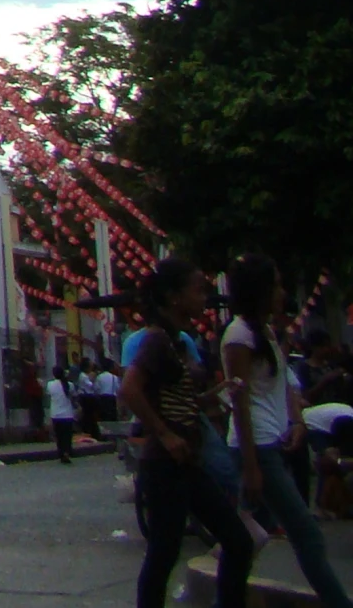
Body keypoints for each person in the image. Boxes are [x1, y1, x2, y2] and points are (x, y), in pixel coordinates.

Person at [125, 256, 252, 608]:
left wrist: (216, 395)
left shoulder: (177, 341)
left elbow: (179, 399)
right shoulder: (156, 340)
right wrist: (164, 433)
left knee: (236, 540)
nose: (204, 299)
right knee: (164, 554)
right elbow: (130, 389)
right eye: (198, 290)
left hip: (186, 461)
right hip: (165, 464)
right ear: (173, 296)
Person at [226, 254, 348, 608]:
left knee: (244, 540)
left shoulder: (263, 332)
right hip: (258, 448)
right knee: (306, 534)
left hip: (273, 442)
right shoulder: (238, 336)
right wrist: (250, 465)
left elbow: (283, 386)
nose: (282, 292)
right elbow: (240, 401)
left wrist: (296, 422)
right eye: (276, 285)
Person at [47, 365, 81, 463]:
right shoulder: (69, 385)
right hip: (67, 414)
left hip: (55, 414)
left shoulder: (50, 384)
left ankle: (61, 453)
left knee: (59, 436)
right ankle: (67, 451)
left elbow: (48, 394)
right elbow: (74, 396)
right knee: (67, 435)